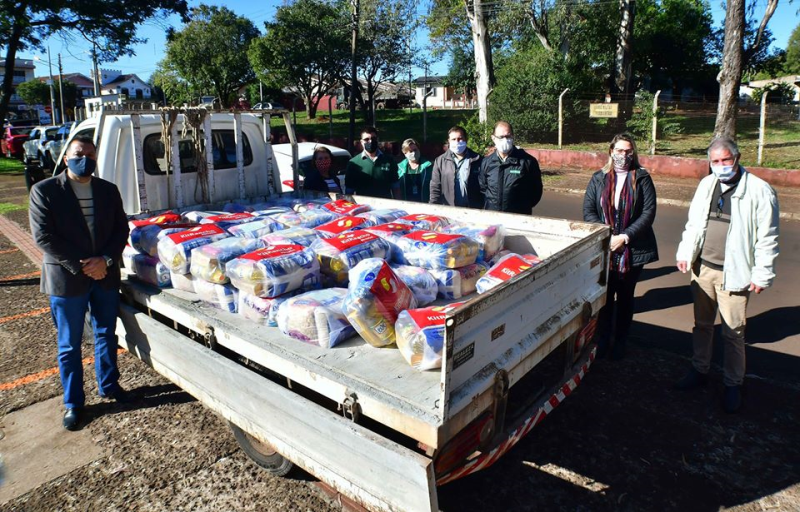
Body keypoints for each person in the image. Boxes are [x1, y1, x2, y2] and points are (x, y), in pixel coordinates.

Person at [28, 136, 130, 431]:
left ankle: (109, 386)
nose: (84, 159)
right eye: (78, 154)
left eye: (90, 155)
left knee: (106, 335)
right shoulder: (44, 191)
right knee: (69, 345)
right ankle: (74, 403)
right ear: (65, 157)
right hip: (67, 279)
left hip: (105, 275)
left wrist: (106, 261)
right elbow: (44, 237)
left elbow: (120, 229)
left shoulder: (107, 190)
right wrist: (86, 265)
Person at [674, 137, 779, 413]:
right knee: (702, 325)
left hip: (734, 273)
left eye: (726, 160)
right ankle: (700, 369)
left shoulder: (759, 190)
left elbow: (768, 238)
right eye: (715, 161)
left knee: (733, 333)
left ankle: (733, 383)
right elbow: (694, 224)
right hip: (703, 268)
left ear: (738, 157)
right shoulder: (707, 184)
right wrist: (686, 252)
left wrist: (762, 274)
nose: (721, 166)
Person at [583, 133, 659, 360]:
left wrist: (624, 237)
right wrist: (608, 236)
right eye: (619, 151)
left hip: (633, 250)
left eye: (628, 151)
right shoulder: (599, 177)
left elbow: (648, 213)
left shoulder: (642, 178)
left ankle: (621, 341)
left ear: (633, 153)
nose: (623, 155)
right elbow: (588, 211)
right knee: (605, 297)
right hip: (606, 247)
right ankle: (603, 338)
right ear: (611, 151)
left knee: (625, 298)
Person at [479, 121, 543, 214]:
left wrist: (522, 207)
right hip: (493, 216)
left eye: (508, 136)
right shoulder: (487, 162)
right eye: (501, 137)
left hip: (518, 218)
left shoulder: (527, 162)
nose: (505, 140)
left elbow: (536, 191)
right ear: (493, 138)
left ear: (513, 137)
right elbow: (483, 188)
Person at [429, 126, 483, 208]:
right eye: (453, 139)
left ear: (466, 139)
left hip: (473, 210)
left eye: (460, 139)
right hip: (449, 210)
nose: (457, 142)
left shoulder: (477, 159)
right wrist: (433, 207)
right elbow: (435, 187)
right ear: (449, 141)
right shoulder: (440, 161)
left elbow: (485, 187)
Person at [345, 126, 400, 199]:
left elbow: (396, 187)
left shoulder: (389, 160)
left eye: (373, 138)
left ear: (377, 140)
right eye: (366, 139)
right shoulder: (354, 163)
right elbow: (349, 192)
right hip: (364, 207)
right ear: (361, 142)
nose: (370, 141)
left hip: (385, 206)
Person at [397, 138, 433, 202]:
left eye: (415, 150)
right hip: (406, 205)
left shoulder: (428, 167)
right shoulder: (399, 168)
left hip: (424, 204)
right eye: (410, 151)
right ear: (405, 153)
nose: (413, 153)